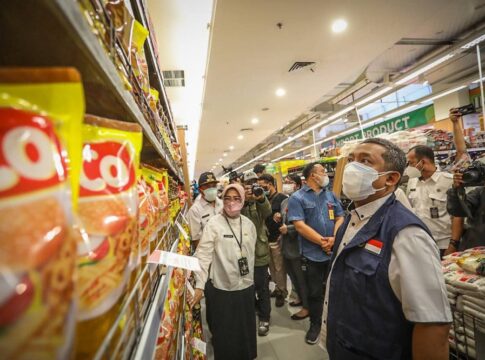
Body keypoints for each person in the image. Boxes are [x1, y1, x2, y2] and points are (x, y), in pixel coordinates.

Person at [324, 138, 451, 360]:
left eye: (365, 161)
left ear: (391, 178)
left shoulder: (407, 234)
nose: (352, 167)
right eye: (352, 160)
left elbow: (432, 323)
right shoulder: (350, 220)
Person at [190, 184, 257, 360]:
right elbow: (203, 255)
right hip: (223, 290)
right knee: (225, 335)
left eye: (236, 198)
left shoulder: (249, 224)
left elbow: (251, 254)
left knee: (245, 330)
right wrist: (199, 285)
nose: (231, 203)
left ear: (243, 200)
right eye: (227, 198)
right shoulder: (214, 224)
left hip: (246, 287)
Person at [287, 162, 344, 344]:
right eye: (322, 171)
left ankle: (335, 323)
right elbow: (299, 225)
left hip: (333, 252)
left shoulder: (331, 195)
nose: (325, 174)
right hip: (312, 254)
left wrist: (334, 238)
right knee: (314, 292)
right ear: (313, 175)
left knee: (335, 289)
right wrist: (322, 242)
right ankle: (315, 324)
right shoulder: (297, 198)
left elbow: (340, 216)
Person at [405, 145, 453, 257]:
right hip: (420, 243)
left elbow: (457, 216)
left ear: (423, 162)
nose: (409, 167)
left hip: (443, 244)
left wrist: (453, 244)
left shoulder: (448, 181)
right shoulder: (412, 182)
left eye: (411, 163)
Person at [241, 170, 273, 336]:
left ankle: (265, 317)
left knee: (262, 287)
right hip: (242, 254)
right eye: (247, 183)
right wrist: (244, 201)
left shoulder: (260, 198)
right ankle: (253, 308)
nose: (251, 186)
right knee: (247, 284)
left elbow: (267, 212)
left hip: (259, 252)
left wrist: (259, 198)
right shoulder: (238, 200)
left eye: (253, 182)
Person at [279, 174, 309, 320]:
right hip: (286, 246)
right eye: (285, 182)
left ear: (297, 185)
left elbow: (306, 224)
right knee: (293, 276)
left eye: (290, 182)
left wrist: (289, 229)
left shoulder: (303, 201)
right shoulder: (285, 202)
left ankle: (307, 307)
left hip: (298, 246)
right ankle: (300, 298)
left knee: (301, 277)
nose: (286, 184)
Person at [258, 173, 288, 307]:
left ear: (270, 184)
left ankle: (282, 291)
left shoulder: (282, 198)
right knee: (271, 267)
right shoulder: (261, 199)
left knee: (279, 267)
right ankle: (277, 287)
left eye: (263, 185)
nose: (261, 188)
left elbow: (287, 216)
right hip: (265, 239)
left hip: (277, 238)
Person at [187, 172, 223, 249]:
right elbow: (197, 240)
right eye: (207, 186)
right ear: (200, 190)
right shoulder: (194, 211)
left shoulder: (222, 204)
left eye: (214, 186)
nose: (212, 189)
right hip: (210, 253)